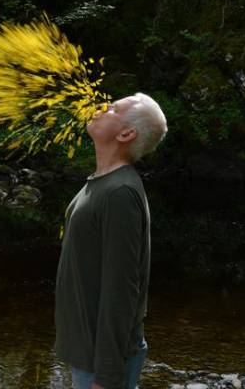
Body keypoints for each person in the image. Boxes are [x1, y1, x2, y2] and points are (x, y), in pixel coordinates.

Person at [54, 92, 168, 389]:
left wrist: (106, 377)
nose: (102, 107)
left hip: (101, 362)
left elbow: (121, 291)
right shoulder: (103, 182)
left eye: (113, 108)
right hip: (89, 354)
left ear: (126, 133)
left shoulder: (120, 194)